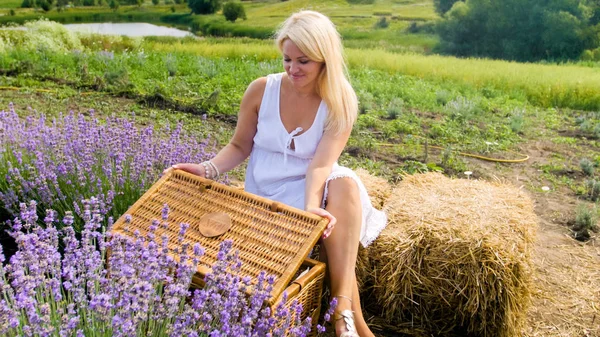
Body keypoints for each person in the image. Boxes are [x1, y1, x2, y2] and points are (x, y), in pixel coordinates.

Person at [169, 10, 387, 337]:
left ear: (324, 60)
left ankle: (341, 311)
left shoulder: (339, 101)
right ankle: (352, 325)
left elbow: (320, 165)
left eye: (304, 61)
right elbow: (239, 145)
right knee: (338, 244)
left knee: (344, 185)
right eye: (287, 59)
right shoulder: (261, 91)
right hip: (265, 190)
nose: (292, 69)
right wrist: (206, 169)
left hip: (313, 184)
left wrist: (313, 209)